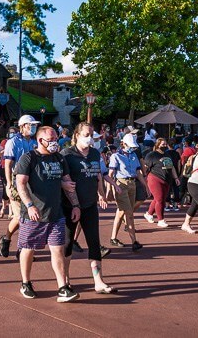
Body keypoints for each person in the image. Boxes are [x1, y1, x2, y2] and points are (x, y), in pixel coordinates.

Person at [15, 126, 80, 302]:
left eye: (56, 139)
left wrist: (75, 205)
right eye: (51, 140)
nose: (54, 143)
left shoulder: (59, 158)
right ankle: (26, 283)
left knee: (58, 249)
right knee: (28, 248)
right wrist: (29, 205)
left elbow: (68, 183)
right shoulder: (29, 158)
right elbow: (21, 183)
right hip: (34, 214)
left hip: (55, 213)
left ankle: (62, 287)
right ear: (40, 140)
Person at [61, 122, 117, 294]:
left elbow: (98, 175)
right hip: (70, 205)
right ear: (77, 135)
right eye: (86, 135)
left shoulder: (94, 153)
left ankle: (98, 281)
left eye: (91, 135)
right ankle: (65, 279)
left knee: (94, 242)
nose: (89, 138)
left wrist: (101, 194)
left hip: (90, 204)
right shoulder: (66, 154)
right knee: (68, 243)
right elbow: (62, 179)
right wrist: (71, 198)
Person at [0, 115, 39, 258]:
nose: (33, 127)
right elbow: (8, 164)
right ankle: (8, 239)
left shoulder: (35, 142)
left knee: (31, 217)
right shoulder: (13, 142)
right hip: (17, 182)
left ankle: (22, 248)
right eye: (30, 125)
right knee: (19, 217)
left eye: (34, 125)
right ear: (22, 126)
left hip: (33, 183)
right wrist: (9, 185)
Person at [107, 133, 147, 251]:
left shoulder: (133, 155)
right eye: (130, 146)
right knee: (129, 213)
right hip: (121, 184)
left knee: (121, 212)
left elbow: (138, 172)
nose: (132, 148)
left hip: (132, 184)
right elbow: (110, 174)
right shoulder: (116, 156)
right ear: (123, 144)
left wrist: (146, 186)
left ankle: (113, 238)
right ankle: (134, 241)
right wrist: (110, 189)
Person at [142, 138, 180, 228]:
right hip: (155, 178)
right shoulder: (152, 155)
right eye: (163, 144)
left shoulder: (167, 154)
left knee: (158, 199)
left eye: (165, 144)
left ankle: (149, 214)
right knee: (160, 199)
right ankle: (161, 220)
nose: (164, 146)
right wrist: (144, 177)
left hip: (167, 180)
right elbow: (145, 166)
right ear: (158, 145)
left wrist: (176, 178)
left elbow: (172, 167)